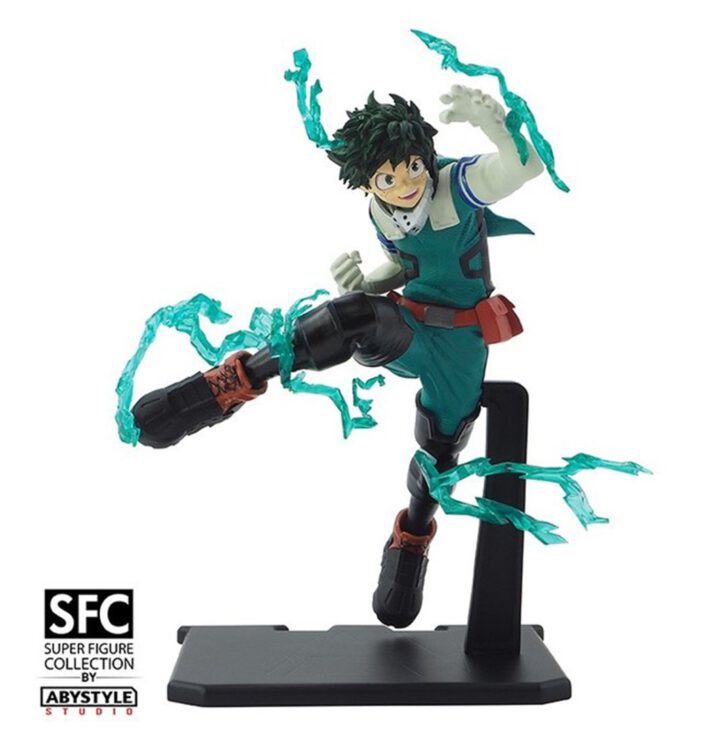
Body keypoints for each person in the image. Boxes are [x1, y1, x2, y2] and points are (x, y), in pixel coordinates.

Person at [131, 85, 543, 629]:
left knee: (439, 454)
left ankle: (413, 533)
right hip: (410, 324)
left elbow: (525, 165)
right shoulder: (382, 212)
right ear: (367, 184)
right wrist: (367, 282)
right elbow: (405, 269)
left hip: (460, 345)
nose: (405, 184)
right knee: (351, 315)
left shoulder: (455, 186)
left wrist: (492, 122)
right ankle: (235, 378)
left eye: (411, 167)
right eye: (387, 179)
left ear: (425, 155)